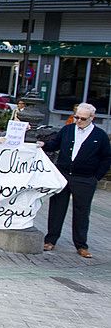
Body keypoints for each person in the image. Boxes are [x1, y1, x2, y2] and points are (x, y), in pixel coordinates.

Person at [41, 102, 110, 259]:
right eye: (76, 117)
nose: (78, 121)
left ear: (92, 118)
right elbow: (54, 145)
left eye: (82, 119)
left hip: (85, 178)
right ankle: (50, 240)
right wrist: (42, 145)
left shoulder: (100, 136)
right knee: (57, 208)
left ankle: (81, 245)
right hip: (64, 174)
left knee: (82, 211)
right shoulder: (68, 129)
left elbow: (106, 158)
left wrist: (95, 178)